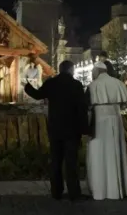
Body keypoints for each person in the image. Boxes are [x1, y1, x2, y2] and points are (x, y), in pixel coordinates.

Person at [25, 60, 88, 201]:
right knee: (71, 162)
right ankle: (74, 193)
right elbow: (82, 108)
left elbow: (37, 95)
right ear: (71, 70)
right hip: (72, 129)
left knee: (56, 161)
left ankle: (56, 192)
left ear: (60, 70)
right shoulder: (76, 85)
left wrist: (27, 86)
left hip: (55, 128)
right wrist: (84, 127)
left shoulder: (51, 83)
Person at [86, 61, 127, 200]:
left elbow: (86, 106)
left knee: (99, 154)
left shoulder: (93, 85)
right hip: (116, 120)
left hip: (99, 123)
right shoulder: (118, 83)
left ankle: (100, 190)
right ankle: (120, 190)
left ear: (97, 71)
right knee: (116, 152)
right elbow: (124, 103)